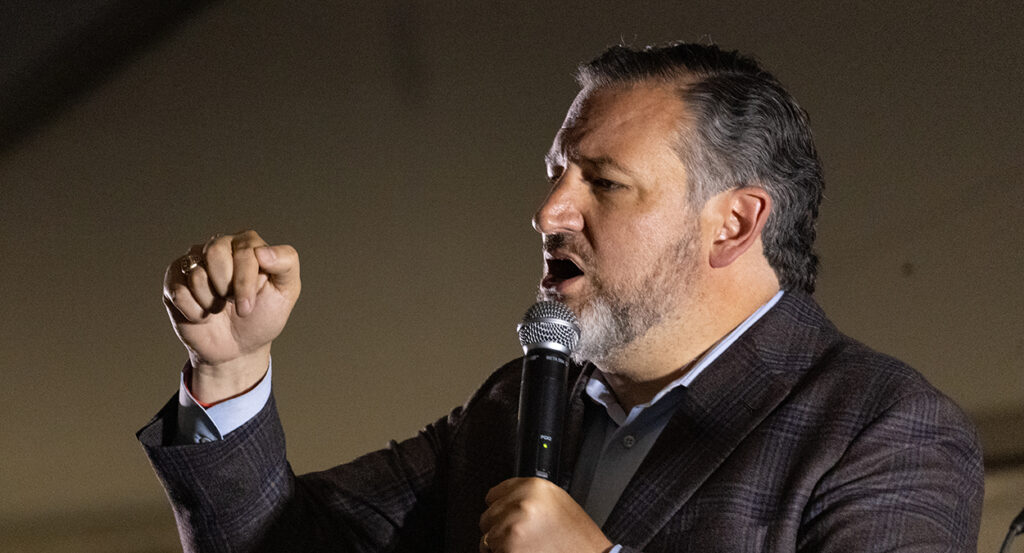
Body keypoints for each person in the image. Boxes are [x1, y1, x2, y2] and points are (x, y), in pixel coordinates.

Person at [139, 42, 984, 553]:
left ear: (732, 223)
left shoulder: (883, 430)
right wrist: (231, 367)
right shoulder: (515, 405)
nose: (548, 212)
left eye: (604, 183)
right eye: (555, 175)